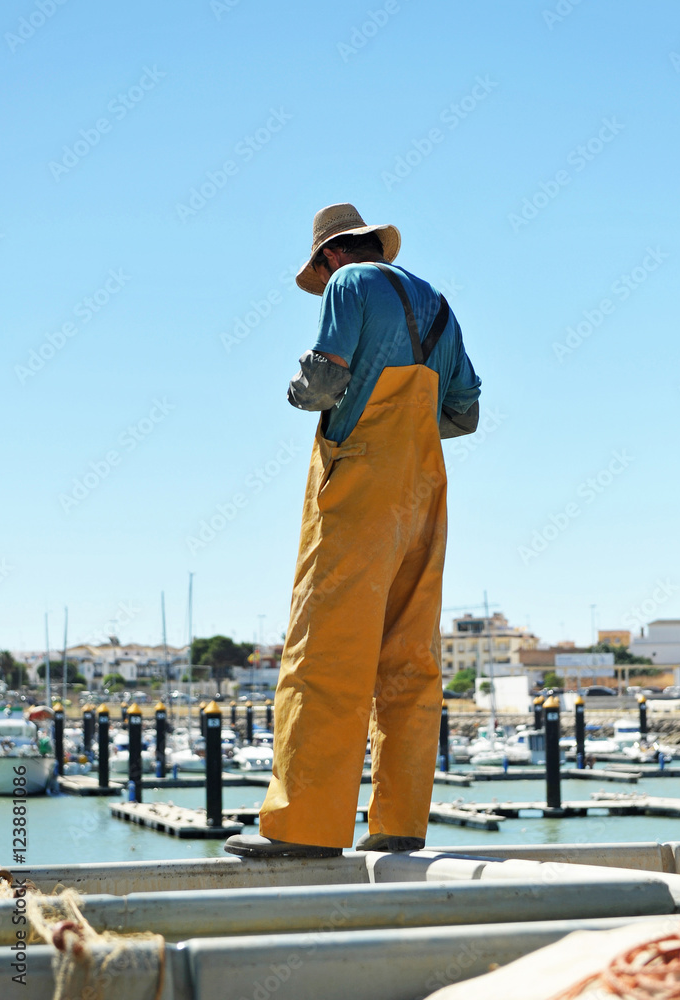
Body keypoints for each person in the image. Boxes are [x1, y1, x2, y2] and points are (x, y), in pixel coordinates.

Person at [226, 203, 481, 858]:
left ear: (330, 256)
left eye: (319, 266)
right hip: (423, 494)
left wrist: (300, 392)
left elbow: (321, 381)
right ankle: (397, 828)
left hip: (359, 486)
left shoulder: (349, 285)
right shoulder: (438, 304)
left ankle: (305, 830)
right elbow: (465, 413)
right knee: (409, 659)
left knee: (324, 651)